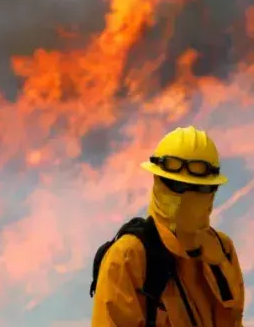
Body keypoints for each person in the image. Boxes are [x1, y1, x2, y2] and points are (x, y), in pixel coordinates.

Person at [91, 126, 245, 327]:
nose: (186, 197)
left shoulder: (222, 250)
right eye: (176, 185)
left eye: (199, 188)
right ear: (157, 181)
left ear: (213, 190)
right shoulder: (128, 257)